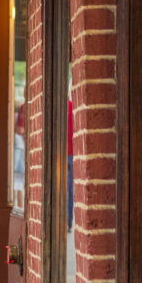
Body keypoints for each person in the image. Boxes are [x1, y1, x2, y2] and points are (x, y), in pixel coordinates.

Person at [67, 96, 74, 232]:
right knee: (69, 188)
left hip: (64, 153)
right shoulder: (72, 106)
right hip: (72, 152)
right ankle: (68, 221)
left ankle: (65, 220)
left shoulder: (60, 107)